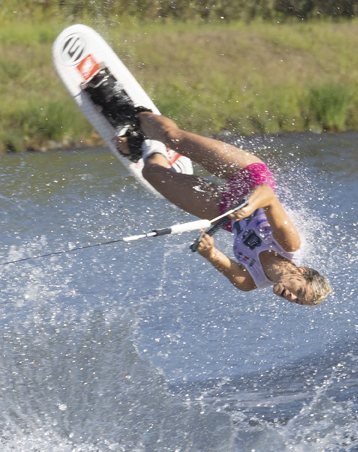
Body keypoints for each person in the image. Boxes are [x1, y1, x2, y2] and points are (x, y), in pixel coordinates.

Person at [121, 111, 332, 306]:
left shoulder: (249, 281)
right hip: (250, 180)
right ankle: (132, 113)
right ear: (301, 272)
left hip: (226, 213)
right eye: (300, 293)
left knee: (153, 175)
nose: (291, 298)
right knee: (174, 137)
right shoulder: (290, 244)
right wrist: (249, 206)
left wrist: (207, 250)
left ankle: (147, 145)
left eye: (296, 301)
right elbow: (267, 195)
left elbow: (213, 254)